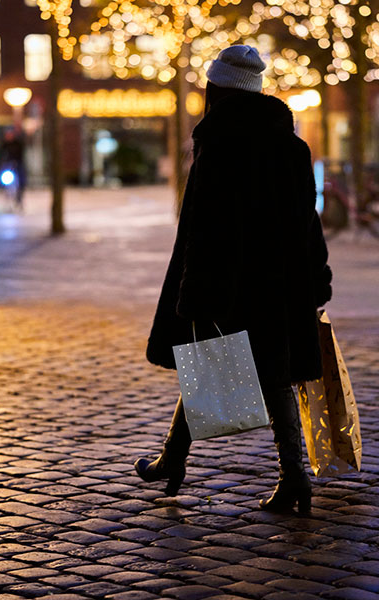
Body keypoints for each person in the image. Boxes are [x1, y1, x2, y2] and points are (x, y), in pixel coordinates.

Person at [135, 45, 333, 515]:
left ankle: (288, 476)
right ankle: (184, 461)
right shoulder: (293, 148)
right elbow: (309, 221)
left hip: (228, 283)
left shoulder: (217, 146)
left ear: (216, 89)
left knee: (214, 358)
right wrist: (316, 278)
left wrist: (196, 293)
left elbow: (205, 229)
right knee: (270, 373)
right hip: (280, 282)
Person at [0, 127, 27, 210]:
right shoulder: (4, 145)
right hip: (7, 167)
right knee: (2, 179)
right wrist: (1, 164)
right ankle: (4, 195)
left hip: (17, 165)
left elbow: (21, 156)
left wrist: (16, 163)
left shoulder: (18, 144)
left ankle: (19, 200)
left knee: (20, 180)